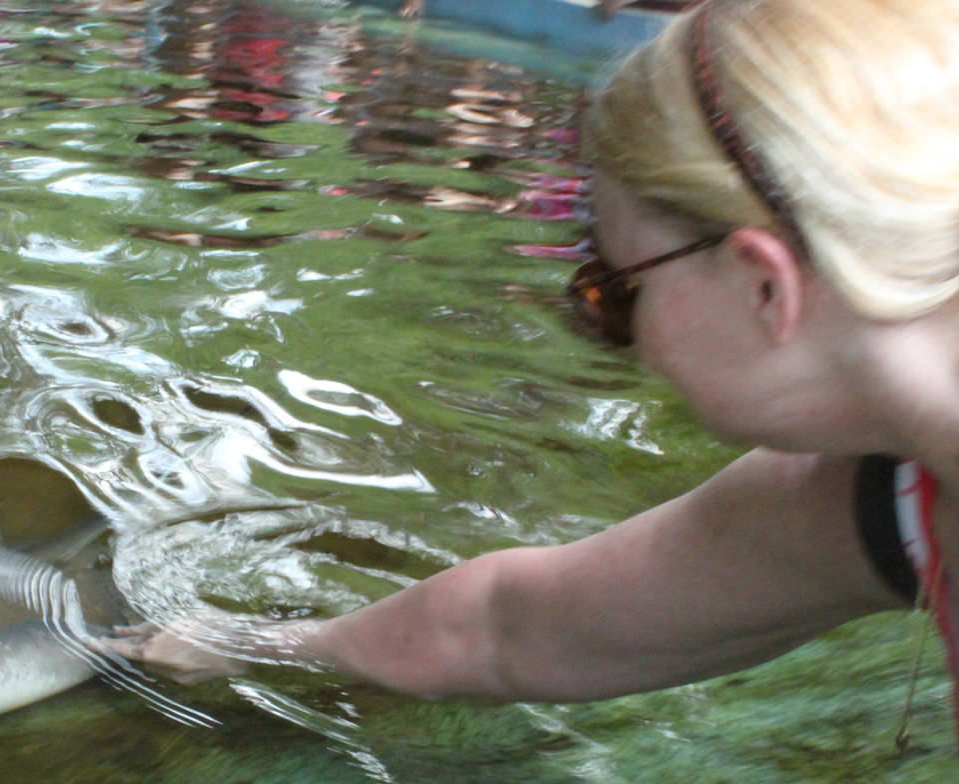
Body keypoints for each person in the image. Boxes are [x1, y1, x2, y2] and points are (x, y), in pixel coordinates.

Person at [105, 0, 959, 720]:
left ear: (763, 285)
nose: (610, 333)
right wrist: (251, 643)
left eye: (614, 291)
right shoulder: (888, 488)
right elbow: (506, 626)